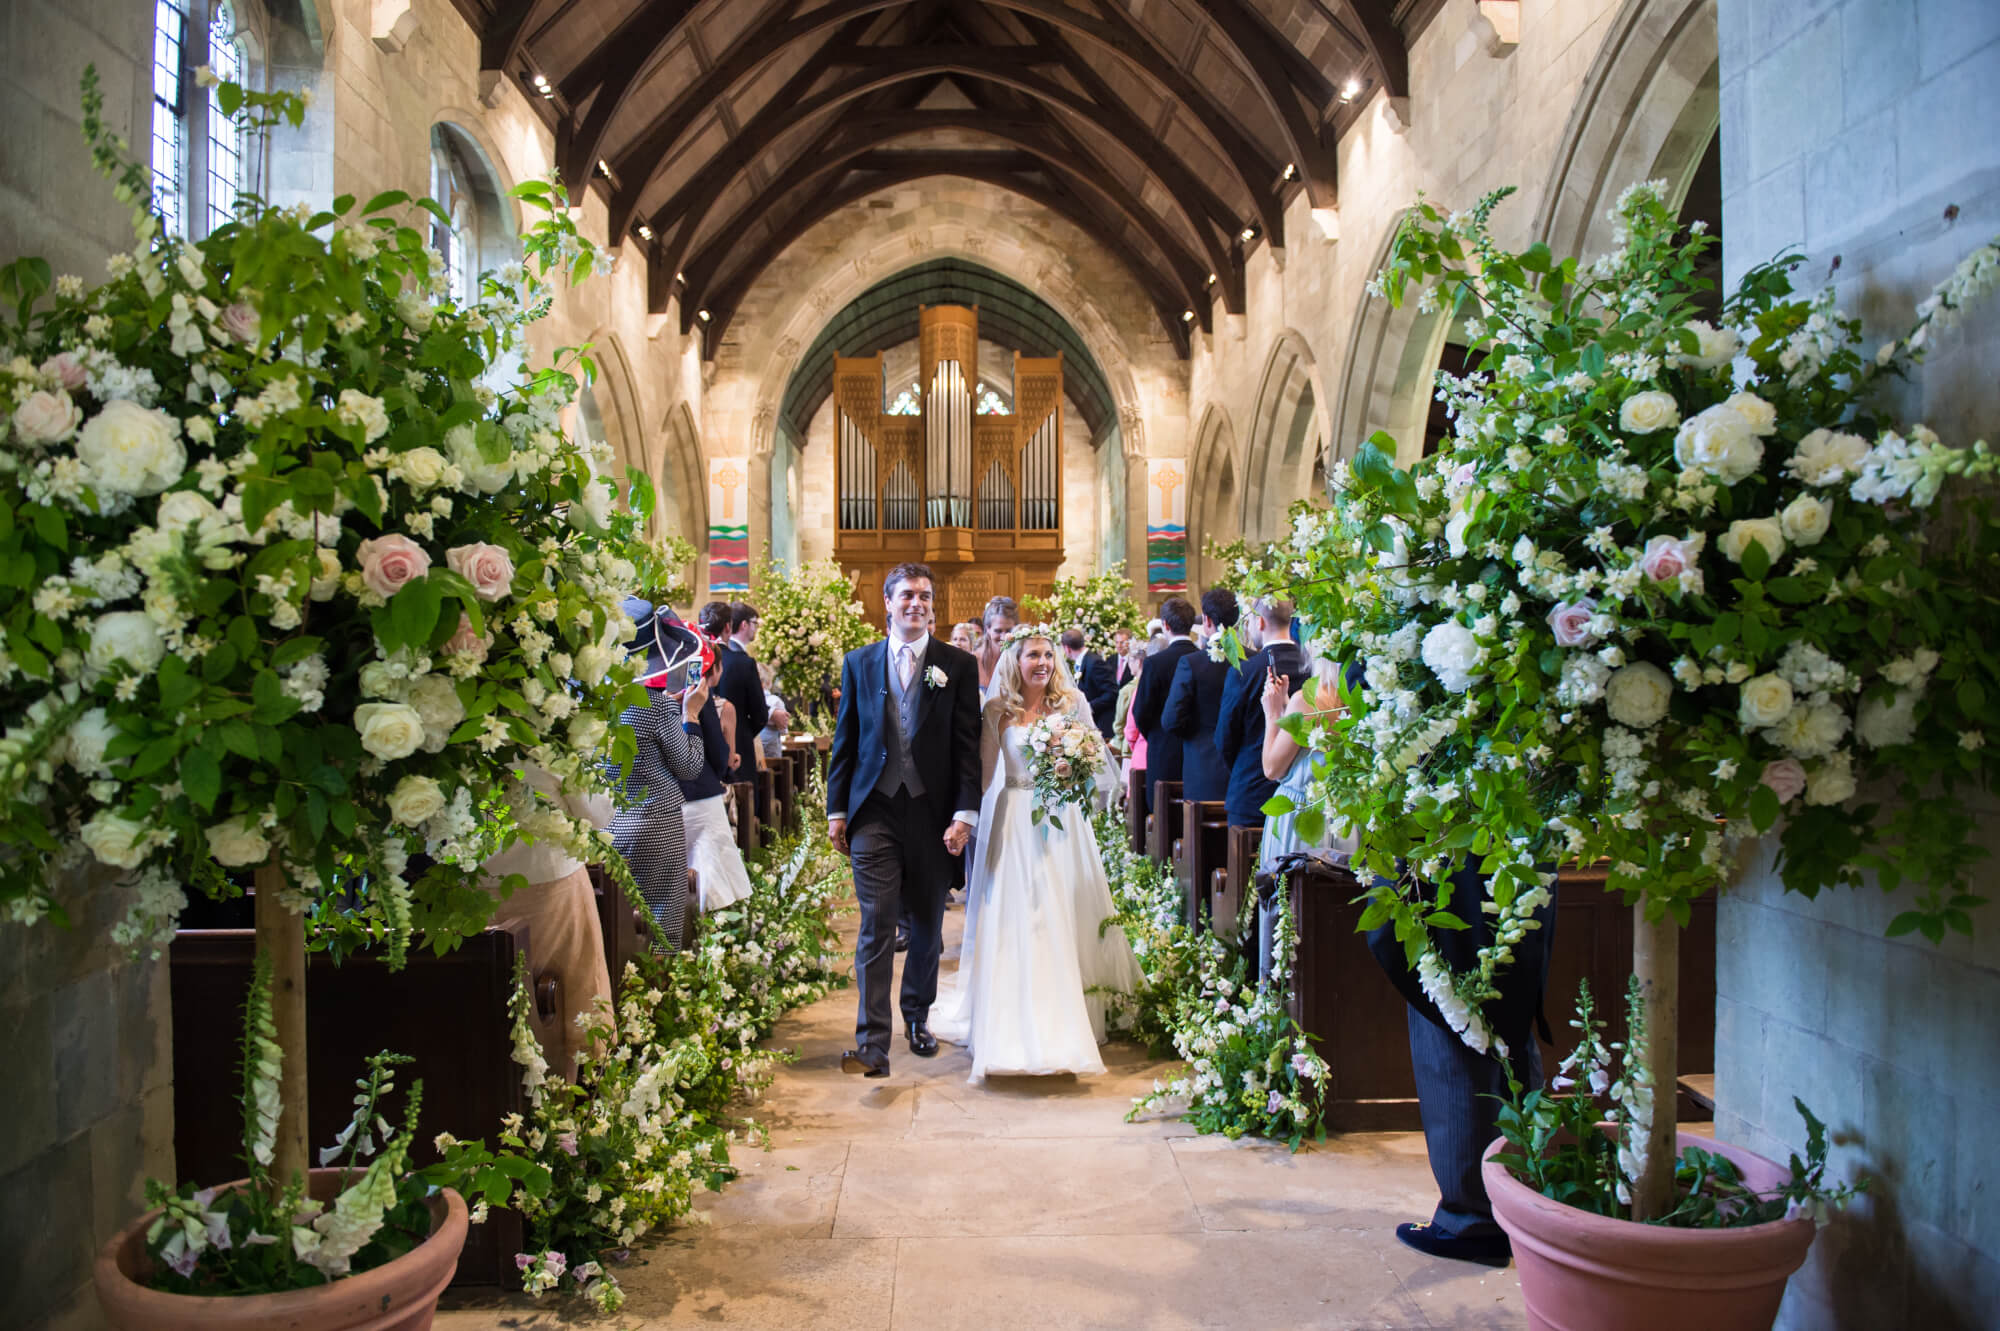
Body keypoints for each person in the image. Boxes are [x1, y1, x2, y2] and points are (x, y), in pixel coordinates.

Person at [930, 628, 1139, 1082]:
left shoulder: (1070, 706)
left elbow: (1096, 772)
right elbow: (984, 775)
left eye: (1048, 654)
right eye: (1033, 655)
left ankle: (1064, 1015)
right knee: (1016, 917)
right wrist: (967, 824)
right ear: (1015, 661)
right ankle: (1009, 1022)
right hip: (1013, 816)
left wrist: (1072, 768)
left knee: (1058, 913)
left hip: (1060, 823)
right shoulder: (997, 712)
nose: (1042, 662)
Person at [826, 562, 982, 1078]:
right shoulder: (860, 663)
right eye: (907, 595)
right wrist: (837, 808)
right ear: (888, 603)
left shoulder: (954, 666)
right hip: (876, 810)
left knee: (928, 929)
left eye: (925, 596)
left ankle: (917, 1017)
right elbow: (846, 741)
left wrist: (964, 815)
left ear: (932, 607)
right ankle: (872, 1042)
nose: (917, 603)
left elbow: (966, 750)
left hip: (934, 815)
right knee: (876, 925)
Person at [480, 761, 614, 1078]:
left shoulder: (457, 732)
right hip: (551, 885)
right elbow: (598, 813)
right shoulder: (549, 739)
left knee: (490, 1004)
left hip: (472, 888)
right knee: (564, 1003)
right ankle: (560, 1112)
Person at [605, 613, 714, 950]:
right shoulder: (654, 705)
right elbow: (690, 766)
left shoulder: (598, 706)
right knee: (662, 917)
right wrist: (691, 715)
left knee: (619, 919)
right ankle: (664, 986)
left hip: (611, 822)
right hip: (656, 825)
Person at [1216, 596, 1309, 829]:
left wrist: (1242, 769)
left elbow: (1225, 736)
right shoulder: (1311, 666)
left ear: (1259, 622)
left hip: (1252, 791)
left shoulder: (1245, 671)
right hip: (1305, 792)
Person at [677, 637, 754, 913]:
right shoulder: (695, 690)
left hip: (660, 802)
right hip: (699, 797)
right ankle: (713, 945)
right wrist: (726, 759)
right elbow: (717, 753)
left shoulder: (643, 687)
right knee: (712, 885)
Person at [1161, 587, 1239, 804]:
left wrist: (1195, 732)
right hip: (1242, 769)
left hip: (1203, 766)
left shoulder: (1192, 664)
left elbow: (1171, 720)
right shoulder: (1252, 661)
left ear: (1206, 620)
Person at [1129, 596, 1198, 813]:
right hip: (1196, 750)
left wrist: (1157, 735)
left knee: (1162, 815)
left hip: (1162, 751)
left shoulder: (1154, 663)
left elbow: (1141, 710)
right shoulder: (1204, 658)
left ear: (1165, 625)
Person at [716, 601, 770, 774]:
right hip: (740, 748)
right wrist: (742, 732)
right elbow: (760, 714)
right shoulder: (743, 662)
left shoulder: (702, 658)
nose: (756, 629)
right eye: (755, 623)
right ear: (744, 624)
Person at [1080, 627, 1131, 739]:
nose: (1118, 645)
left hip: (1127, 710)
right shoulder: (1109, 660)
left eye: (1122, 642)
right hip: (1109, 712)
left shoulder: (1134, 660)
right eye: (1117, 642)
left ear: (1129, 643)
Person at [976, 596, 1018, 695]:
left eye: (1009, 631)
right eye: (998, 631)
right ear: (988, 629)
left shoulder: (1019, 661)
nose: (1004, 637)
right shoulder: (974, 660)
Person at [755, 660, 790, 764]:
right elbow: (784, 729)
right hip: (771, 756)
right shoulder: (775, 700)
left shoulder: (748, 700)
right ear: (769, 682)